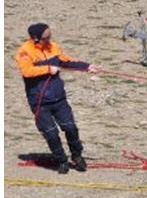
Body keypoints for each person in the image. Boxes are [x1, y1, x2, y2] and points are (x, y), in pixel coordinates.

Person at [15, 23, 98, 173]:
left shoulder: (52, 47)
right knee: (51, 133)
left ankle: (77, 156)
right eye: (46, 38)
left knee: (71, 128)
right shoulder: (24, 51)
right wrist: (48, 69)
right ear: (36, 38)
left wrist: (86, 66)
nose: (49, 40)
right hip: (40, 102)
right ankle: (61, 160)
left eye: (50, 36)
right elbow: (26, 71)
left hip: (59, 99)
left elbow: (66, 61)